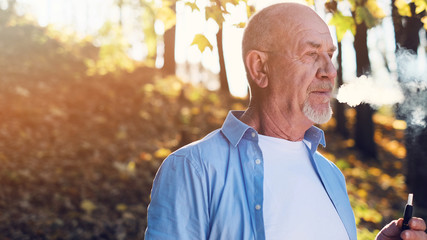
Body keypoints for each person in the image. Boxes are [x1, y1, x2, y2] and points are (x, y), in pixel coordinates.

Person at [145, 3, 427, 240]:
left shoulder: (331, 175)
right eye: (311, 54)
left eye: (330, 55)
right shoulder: (193, 169)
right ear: (260, 67)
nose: (330, 71)